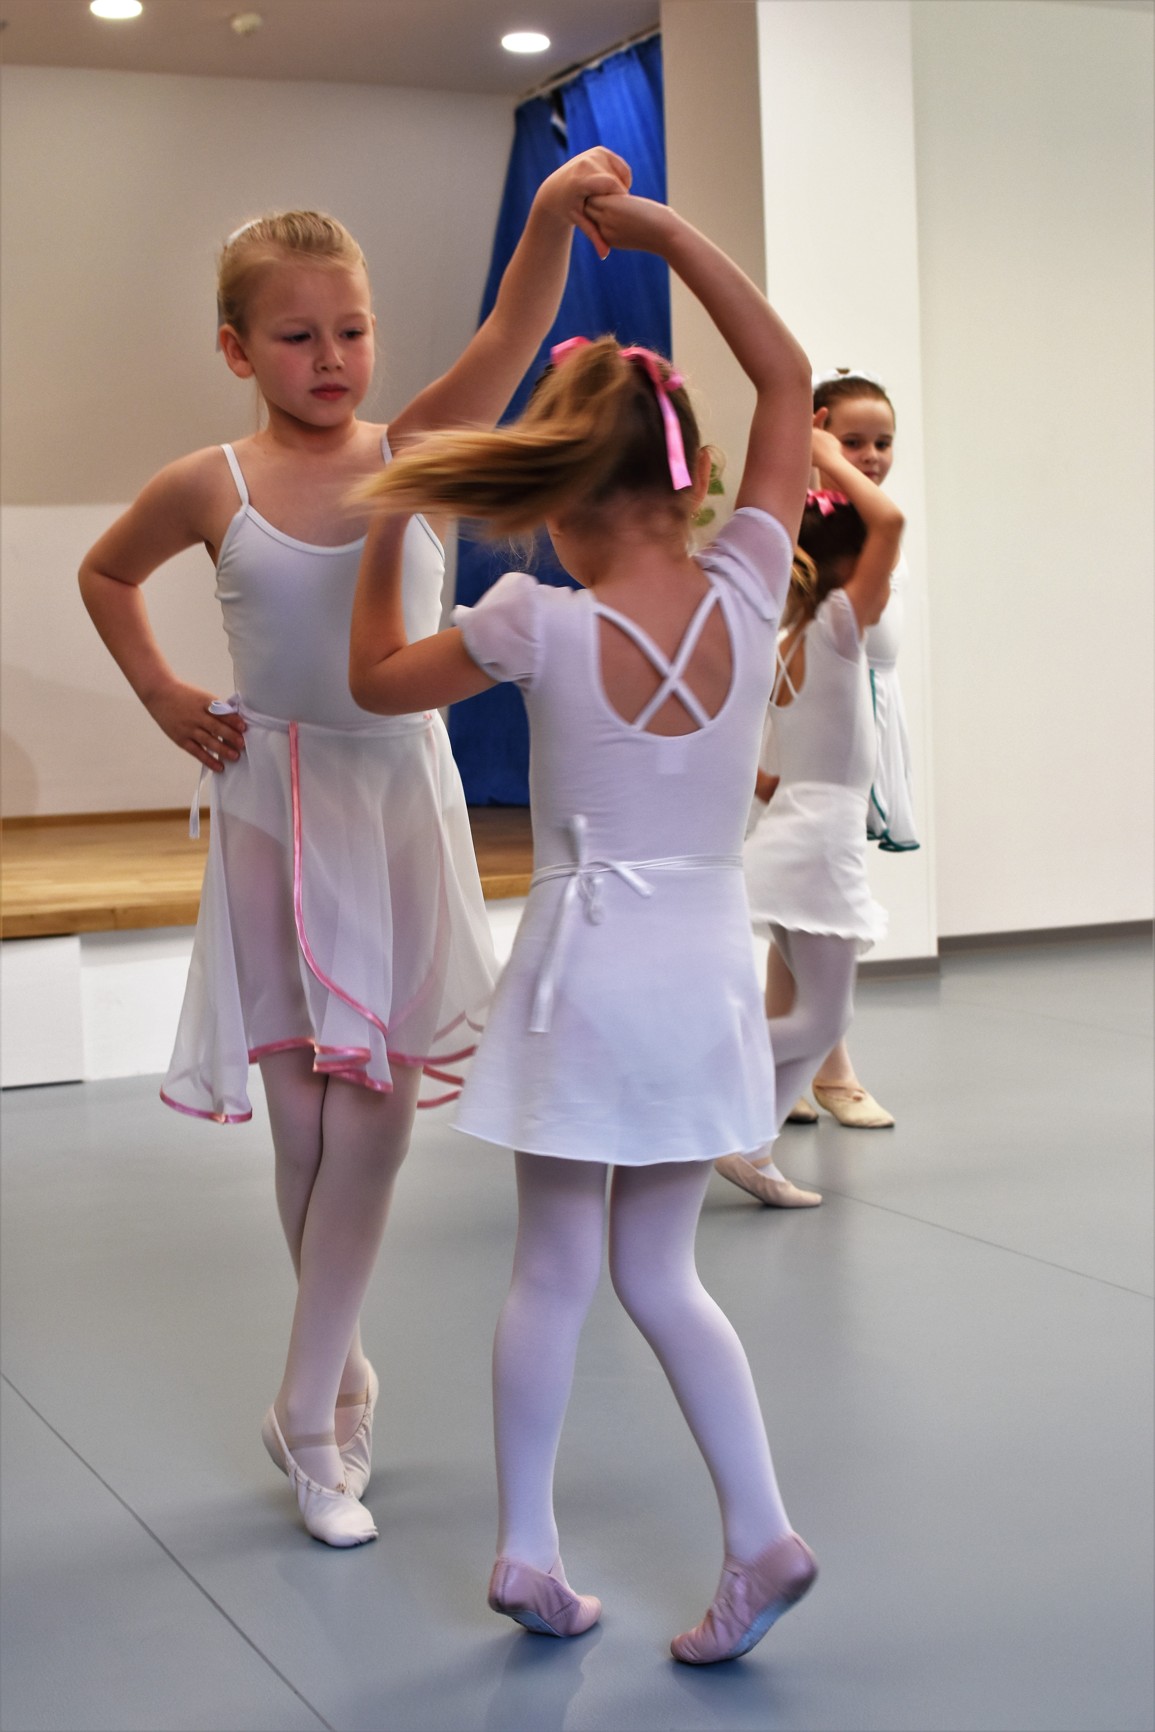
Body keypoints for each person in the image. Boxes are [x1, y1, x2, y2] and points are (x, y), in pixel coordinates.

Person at [77, 149, 631, 1549]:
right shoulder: (206, 484)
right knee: (303, 1117)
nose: (329, 359)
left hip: (392, 802)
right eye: (296, 336)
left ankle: (311, 1408)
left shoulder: (415, 453)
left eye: (351, 330)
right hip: (272, 804)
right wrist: (160, 693)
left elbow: (509, 332)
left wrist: (550, 213)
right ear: (235, 349)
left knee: (373, 1110)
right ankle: (335, 1375)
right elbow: (105, 570)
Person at [349, 192, 818, 1663]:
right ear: (692, 481)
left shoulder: (532, 623)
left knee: (553, 1266)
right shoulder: (751, 585)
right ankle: (761, 1530)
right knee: (661, 1272)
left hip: (584, 972)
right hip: (703, 969)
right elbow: (788, 377)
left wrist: (396, 513)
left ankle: (529, 1548)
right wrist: (670, 242)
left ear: (557, 499)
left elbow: (371, 681)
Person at [715, 422, 904, 1209]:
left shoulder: (786, 637)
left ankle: (750, 1145)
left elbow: (762, 773)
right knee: (825, 1014)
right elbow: (890, 522)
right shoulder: (834, 627)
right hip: (820, 845)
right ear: (851, 566)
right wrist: (823, 459)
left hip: (789, 833)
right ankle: (720, 1106)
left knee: (815, 1008)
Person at [779, 367, 917, 1130]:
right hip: (817, 740)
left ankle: (796, 1068)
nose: (870, 456)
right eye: (853, 441)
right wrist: (818, 458)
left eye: (882, 443)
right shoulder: (816, 531)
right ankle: (826, 1068)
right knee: (816, 912)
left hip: (860, 724)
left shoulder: (861, 525)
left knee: (802, 913)